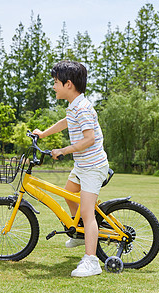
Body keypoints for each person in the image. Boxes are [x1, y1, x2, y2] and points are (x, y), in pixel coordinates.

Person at [33, 61, 109, 277]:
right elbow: (65, 122)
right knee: (68, 195)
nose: (53, 86)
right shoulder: (75, 106)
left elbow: (89, 139)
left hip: (93, 167)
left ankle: (91, 262)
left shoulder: (83, 108)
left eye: (56, 83)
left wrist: (63, 150)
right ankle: (80, 234)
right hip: (82, 165)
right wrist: (43, 133)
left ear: (68, 84)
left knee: (87, 212)